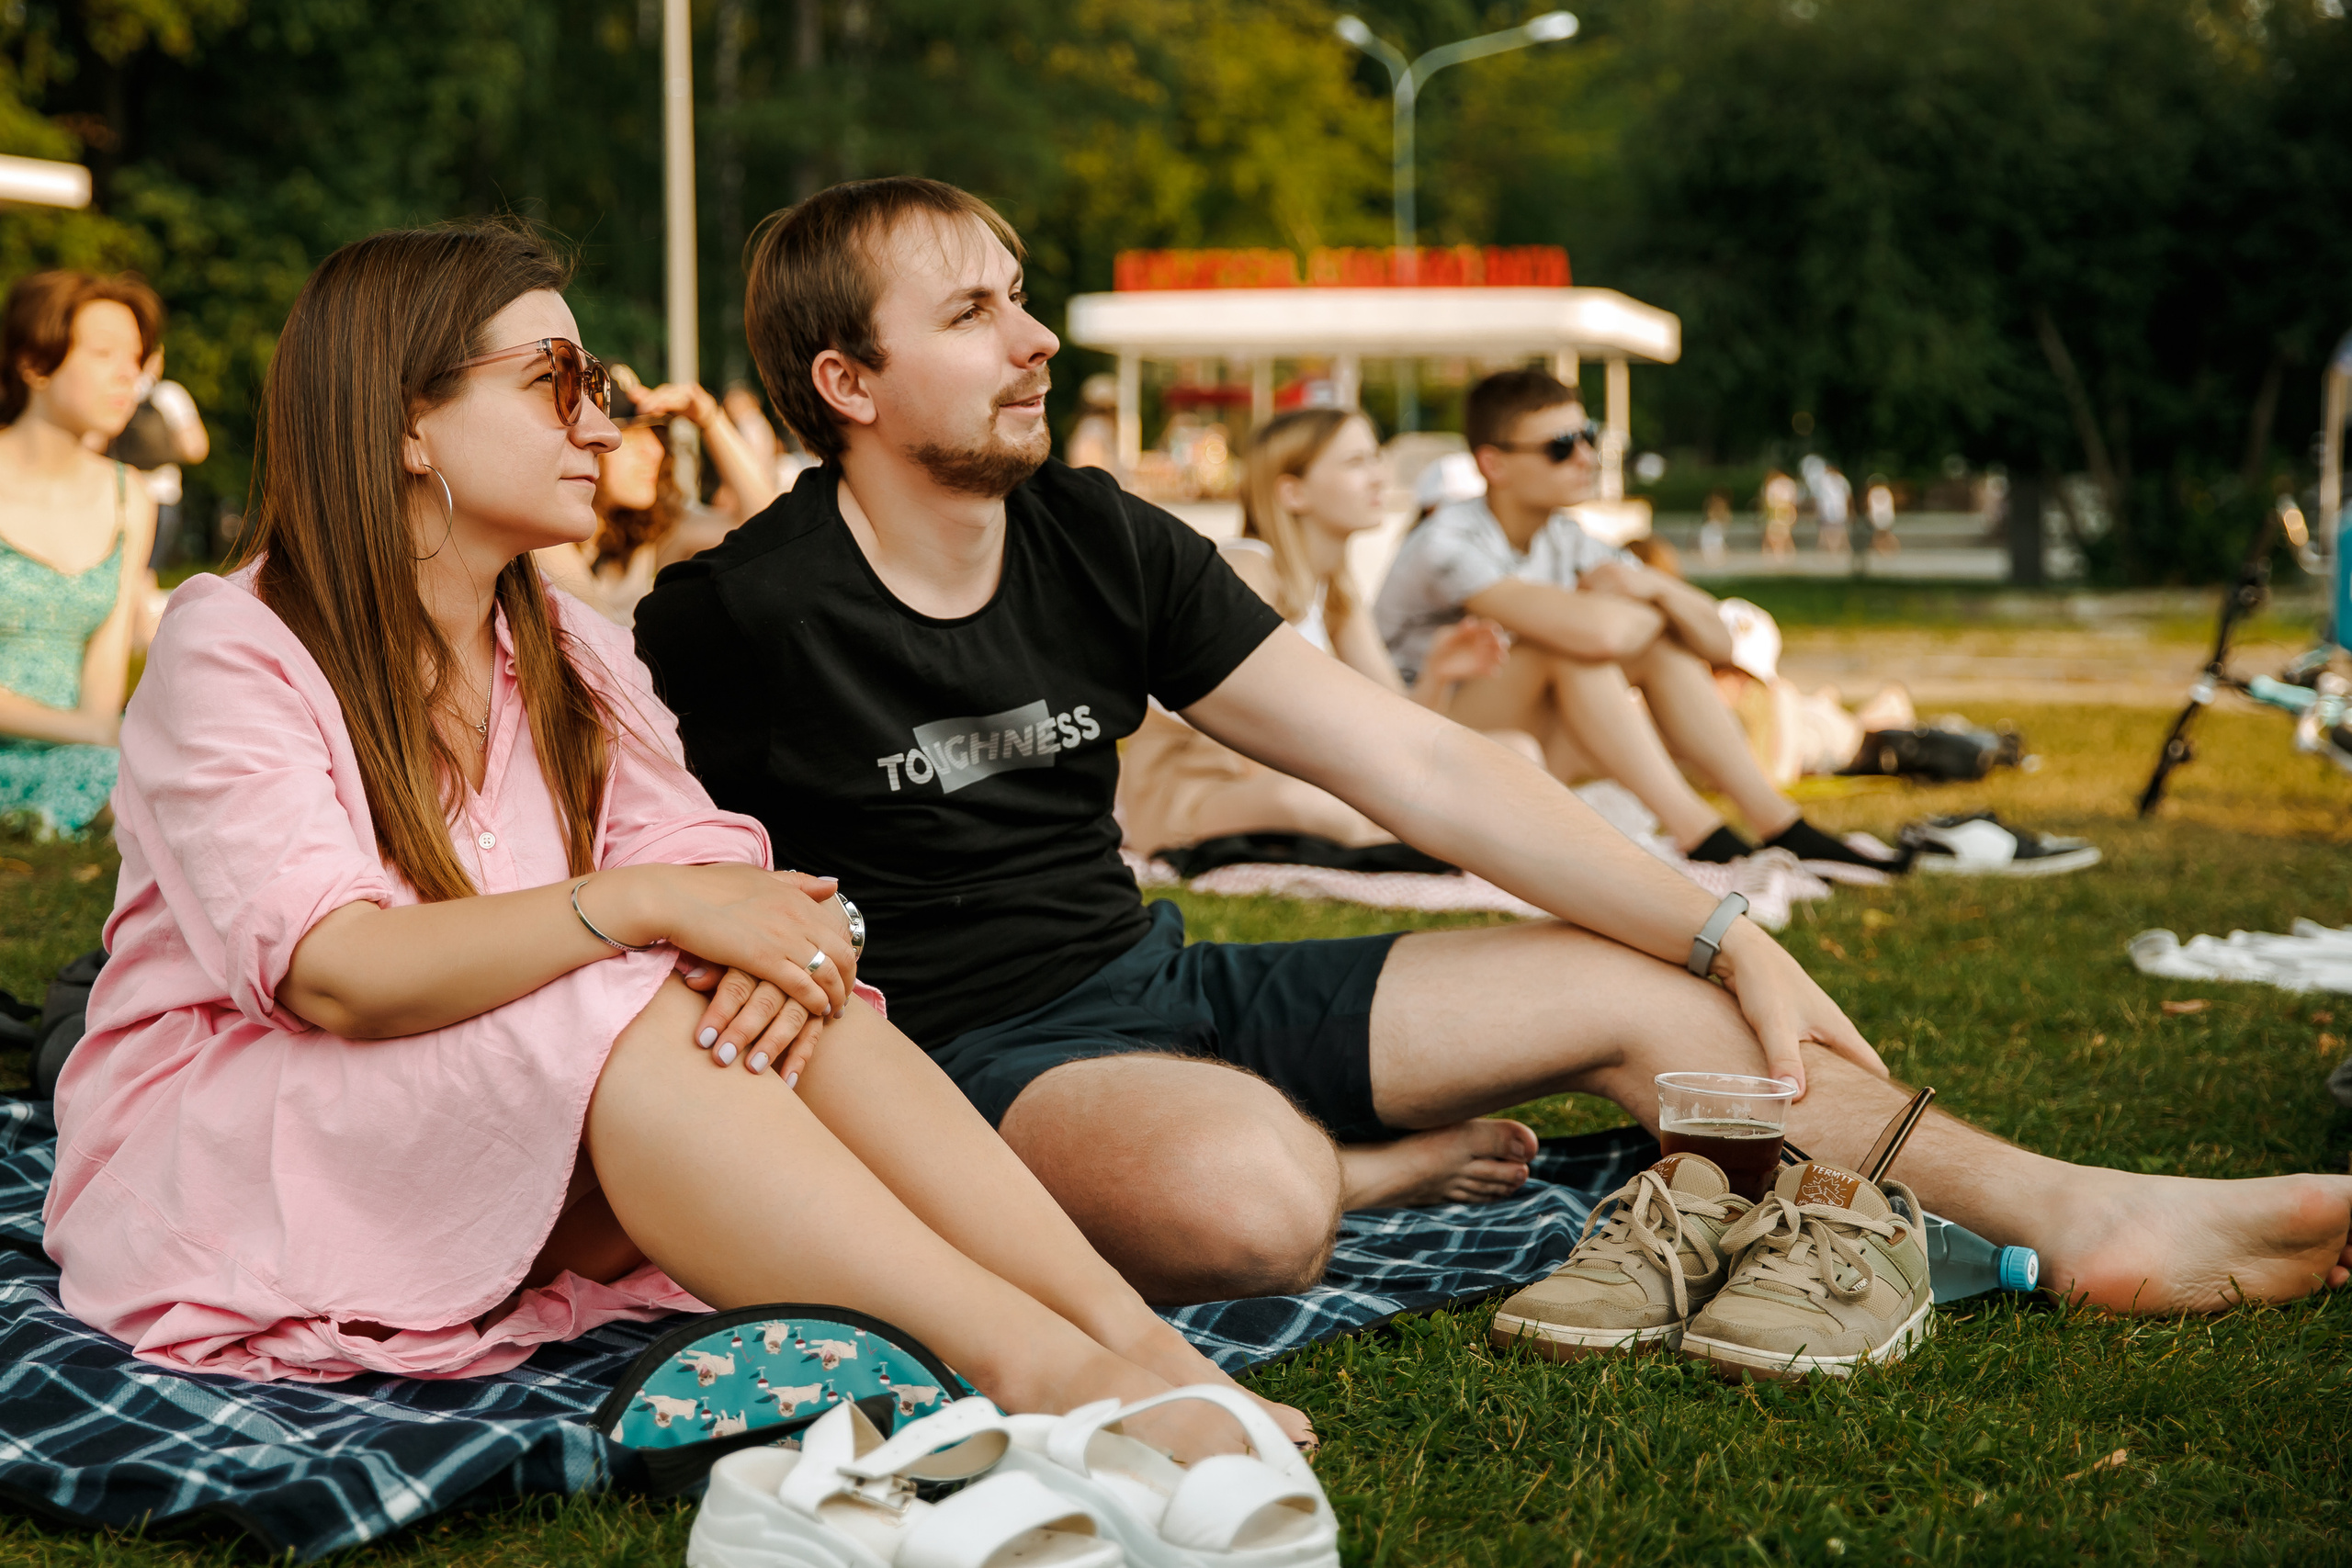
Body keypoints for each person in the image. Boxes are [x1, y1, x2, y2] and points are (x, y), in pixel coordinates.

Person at [636, 175, 2352, 1320]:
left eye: (1025, 299)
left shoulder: (1100, 534)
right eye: (975, 317)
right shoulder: (739, 613)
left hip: (1166, 993)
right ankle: (1368, 1169)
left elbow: (1430, 769)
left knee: (1662, 1004)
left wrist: (1722, 925)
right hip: (982, 1072)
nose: (1038, 340)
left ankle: (2088, 1215)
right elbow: (604, 880)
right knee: (1246, 1206)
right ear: (848, 381)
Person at [40, 222, 1294, 1463]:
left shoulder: (571, 648)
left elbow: (715, 881)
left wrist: (769, 941)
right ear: (406, 421)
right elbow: (334, 970)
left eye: (604, 388)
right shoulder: (239, 642)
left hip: (507, 1119)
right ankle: (1043, 1373)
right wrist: (645, 906)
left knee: (783, 995)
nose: (603, 425)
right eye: (559, 383)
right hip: (254, 1137)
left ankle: (1134, 1341)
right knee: (640, 994)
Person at [1374, 368, 1901, 873]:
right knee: (1565, 647)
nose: (1584, 457)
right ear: (1494, 464)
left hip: (1514, 746)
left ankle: (1777, 823)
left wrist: (1656, 587)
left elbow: (1719, 643)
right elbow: (1599, 633)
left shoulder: (1564, 536)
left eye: (1588, 437)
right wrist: (1652, 613)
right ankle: (1700, 831)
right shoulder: (1449, 541)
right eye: (1560, 447)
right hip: (1414, 761)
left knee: (1646, 646)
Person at [1116, 407, 1510, 859]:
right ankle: (1450, 844)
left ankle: (1439, 838)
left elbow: (1399, 732)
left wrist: (1437, 675)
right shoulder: (1246, 569)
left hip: (1284, 777)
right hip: (1191, 789)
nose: (1380, 477)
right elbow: (1243, 737)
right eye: (1356, 463)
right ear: (1292, 491)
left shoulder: (1336, 594)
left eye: (1376, 457)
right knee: (1323, 806)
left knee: (1510, 752)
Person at [0, 271, 162, 837]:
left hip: (78, 752)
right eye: (103, 353)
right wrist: (92, 729)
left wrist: (99, 731)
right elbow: (96, 723)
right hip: (79, 739)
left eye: (136, 357)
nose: (129, 374)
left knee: (161, 780)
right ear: (34, 363)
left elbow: (106, 663)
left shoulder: (130, 498)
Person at [537, 370, 780, 626]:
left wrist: (710, 418)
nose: (655, 450)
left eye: (654, 432)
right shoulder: (540, 537)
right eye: (630, 434)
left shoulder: (652, 534)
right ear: (582, 442)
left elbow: (767, 528)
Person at [1813, 461, 1852, 555]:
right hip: (1831, 508)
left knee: (1833, 529)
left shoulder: (1838, 480)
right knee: (1832, 529)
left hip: (1835, 508)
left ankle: (1835, 549)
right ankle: (1834, 548)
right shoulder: (1832, 480)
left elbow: (1847, 495)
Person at [1760, 468, 1799, 558]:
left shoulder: (1774, 484)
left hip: (1780, 511)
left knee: (1778, 532)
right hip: (1781, 511)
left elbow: (1769, 500)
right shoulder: (1788, 483)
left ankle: (1779, 551)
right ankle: (1782, 551)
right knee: (1780, 533)